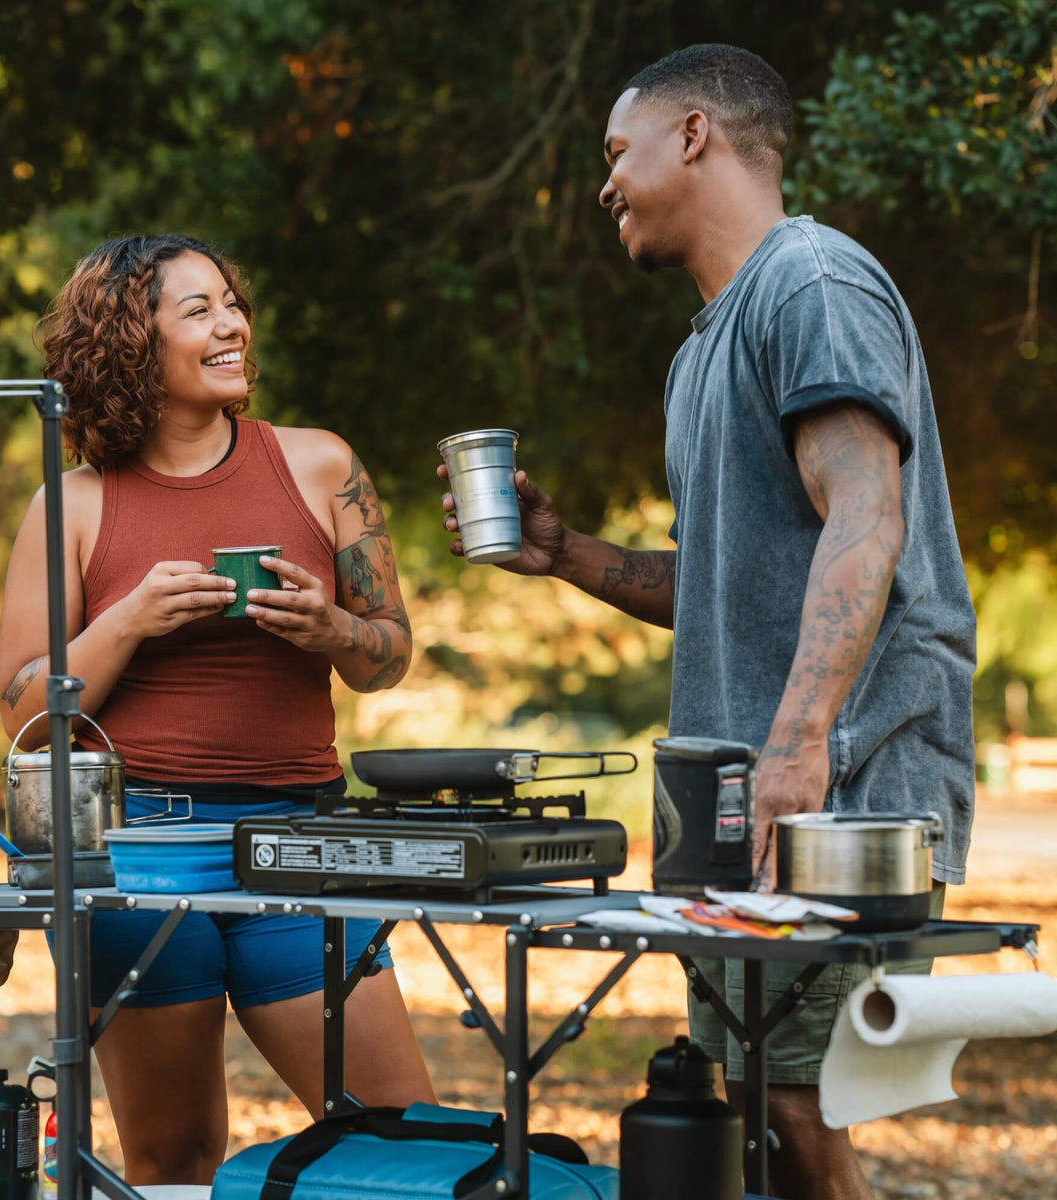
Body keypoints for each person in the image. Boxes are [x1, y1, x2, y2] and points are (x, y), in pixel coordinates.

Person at [440, 44, 975, 1200]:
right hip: (746, 795)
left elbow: (867, 517)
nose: (605, 184)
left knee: (796, 1106)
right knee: (751, 1106)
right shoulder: (701, 353)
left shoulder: (811, 284)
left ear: (694, 136)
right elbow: (725, 585)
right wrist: (567, 556)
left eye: (615, 151)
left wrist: (794, 747)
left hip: (846, 786)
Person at [0, 233, 435, 1185]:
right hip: (134, 854)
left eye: (231, 301)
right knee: (173, 1155)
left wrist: (330, 631)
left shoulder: (322, 466)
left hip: (304, 840)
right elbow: (25, 714)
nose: (233, 322)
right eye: (198, 310)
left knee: (402, 1137)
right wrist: (127, 621)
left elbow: (390, 655)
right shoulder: (68, 505)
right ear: (128, 343)